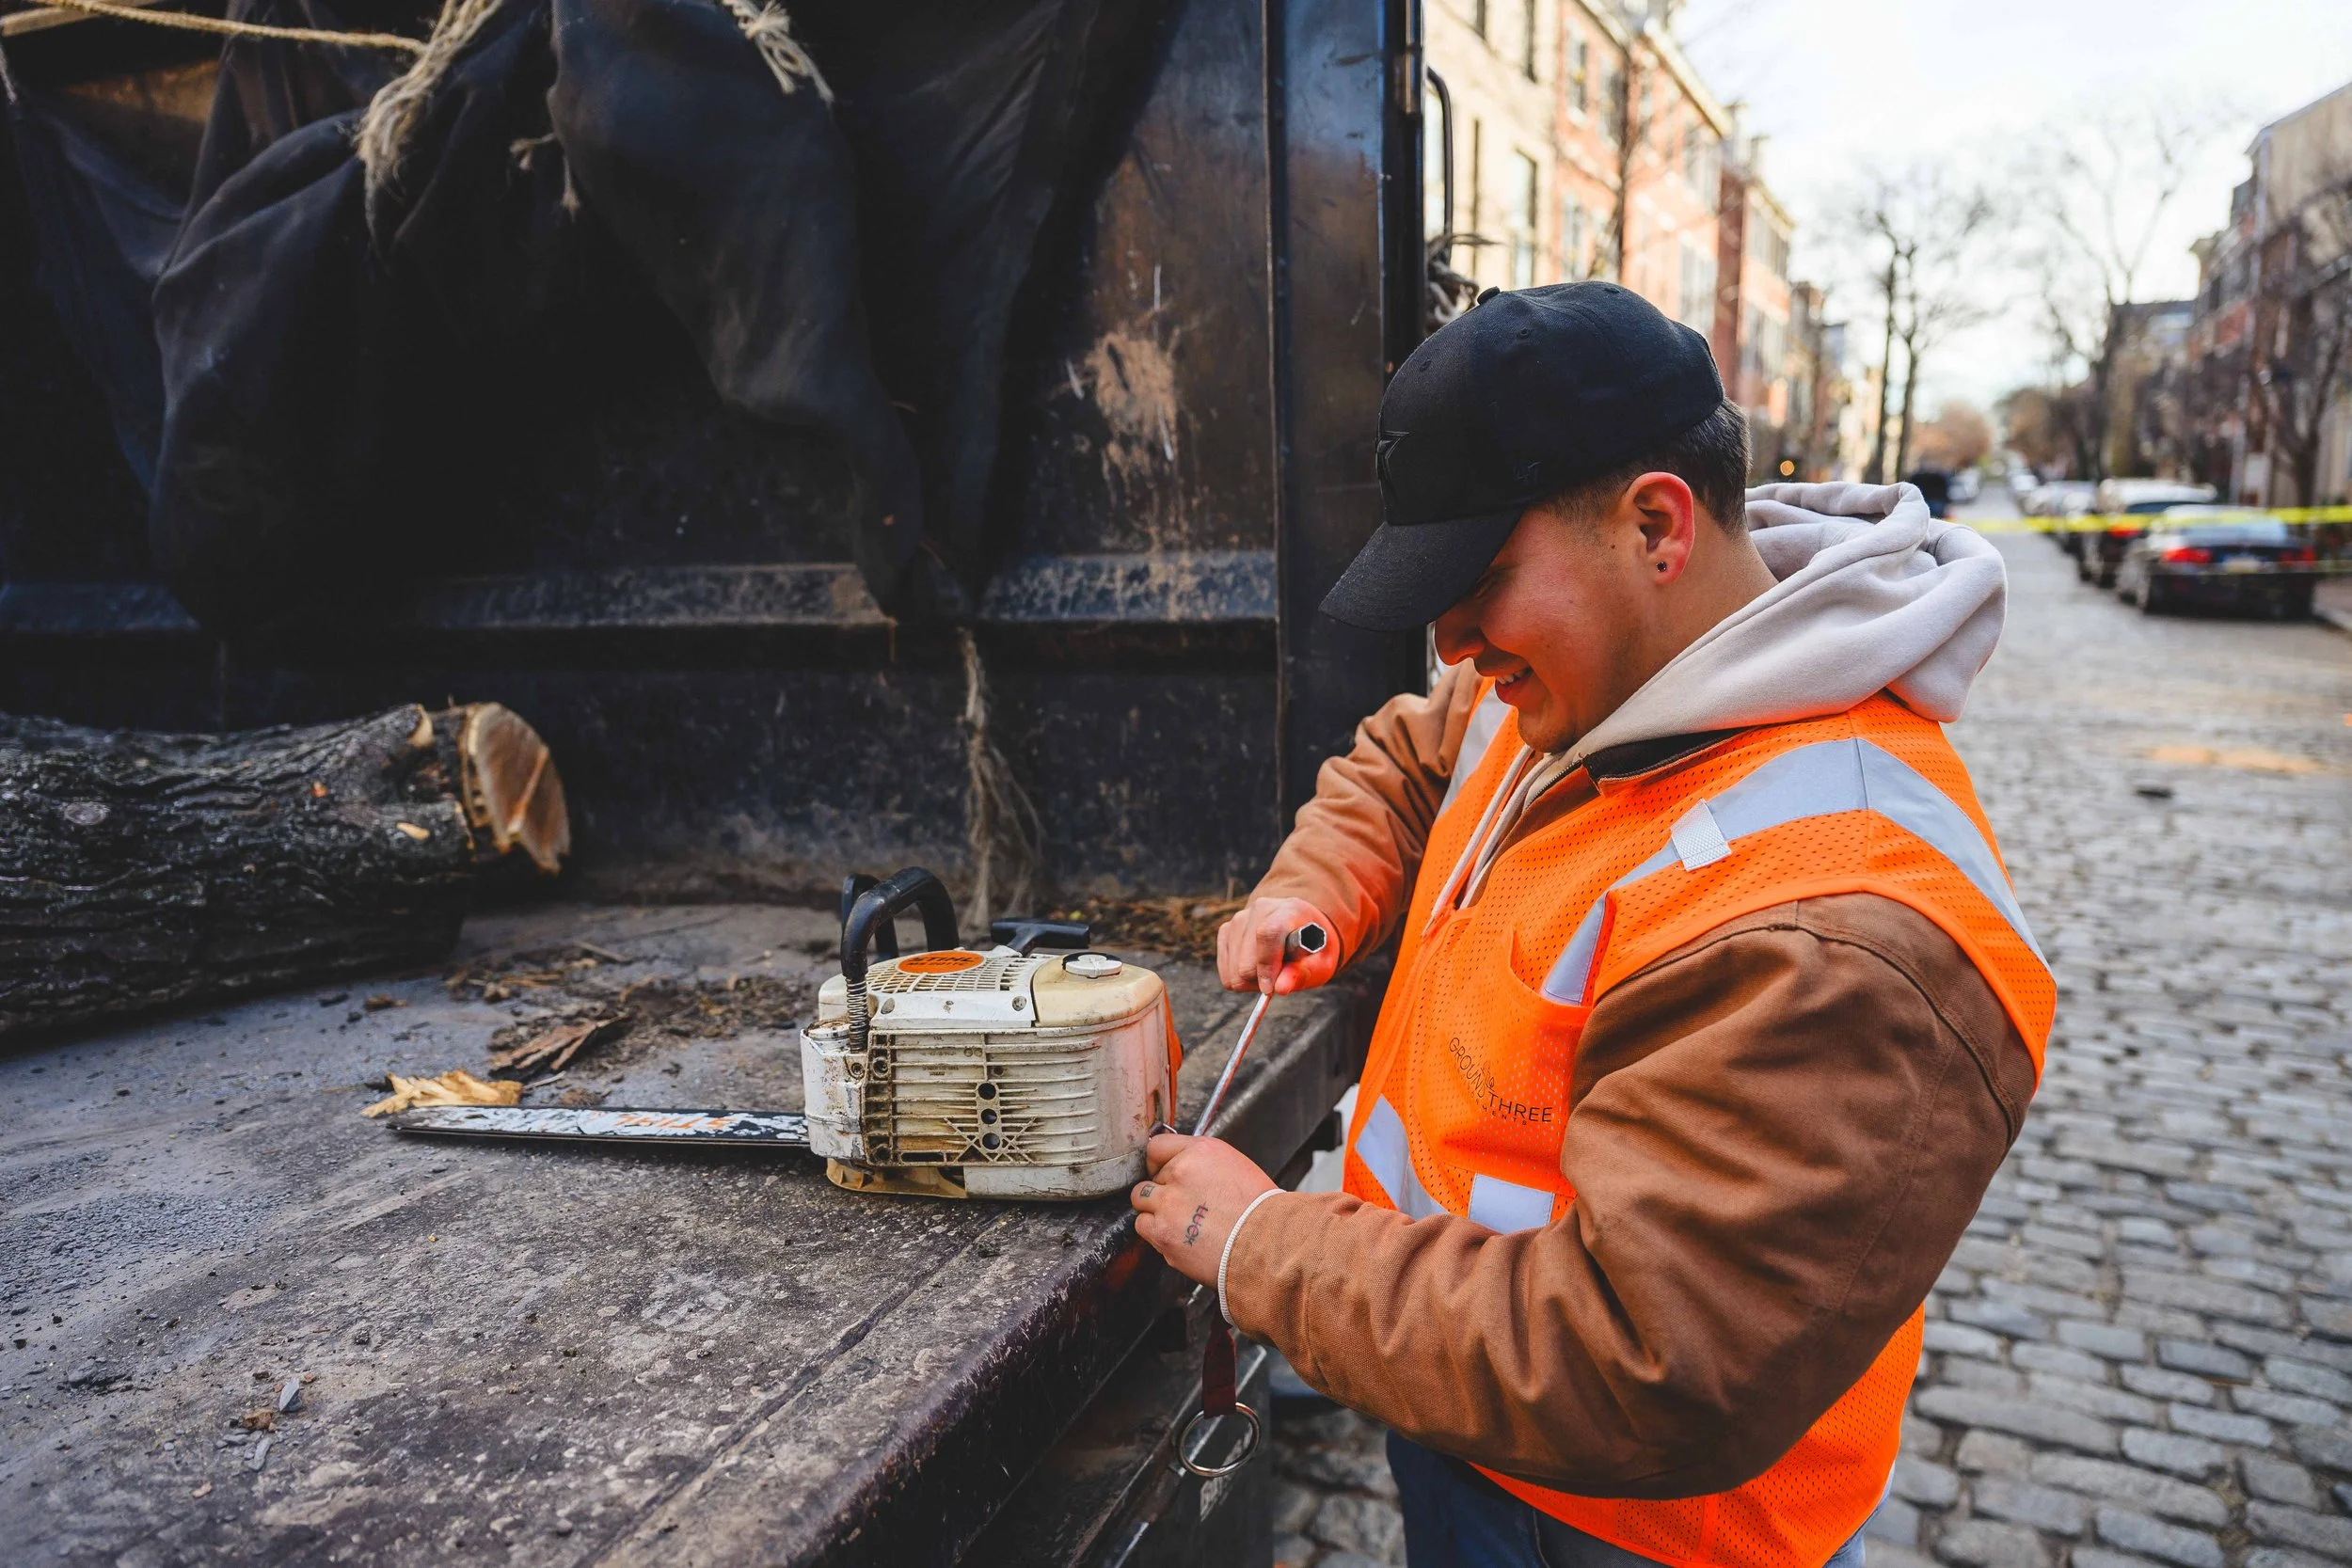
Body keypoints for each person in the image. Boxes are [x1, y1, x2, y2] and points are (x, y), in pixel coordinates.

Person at [1128, 282, 2051, 1568]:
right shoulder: (1592, 665)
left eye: (1480, 578)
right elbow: (1414, 754)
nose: (1448, 644)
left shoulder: (1840, 931)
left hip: (1636, 1528)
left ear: (1657, 524)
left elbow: (1641, 1358)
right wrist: (1317, 881)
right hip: (1450, 1407)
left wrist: (1262, 1247)